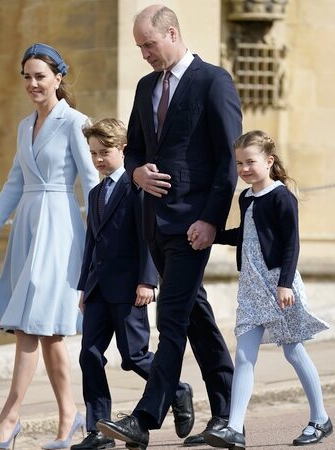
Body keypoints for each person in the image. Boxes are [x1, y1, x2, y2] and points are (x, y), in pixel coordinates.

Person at [96, 5, 239, 449]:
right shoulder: (144, 88)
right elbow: (134, 149)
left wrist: (212, 220)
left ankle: (144, 418)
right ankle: (228, 414)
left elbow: (227, 160)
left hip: (194, 226)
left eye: (149, 45)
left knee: (171, 318)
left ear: (172, 33)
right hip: (154, 226)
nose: (144, 54)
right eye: (139, 46)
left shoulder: (213, 81)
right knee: (196, 318)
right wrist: (135, 174)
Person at [0, 43, 99, 450]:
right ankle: (68, 416)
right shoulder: (25, 127)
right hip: (27, 227)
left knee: (31, 326)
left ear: (59, 77)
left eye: (40, 75)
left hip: (60, 230)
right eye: (26, 76)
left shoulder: (76, 122)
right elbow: (14, 184)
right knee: (47, 332)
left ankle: (9, 419)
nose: (32, 83)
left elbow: (92, 183)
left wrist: (102, 240)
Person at [203, 130, 332, 448]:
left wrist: (285, 283)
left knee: (293, 351)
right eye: (239, 164)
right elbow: (246, 235)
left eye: (251, 162)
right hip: (250, 286)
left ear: (269, 161)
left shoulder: (282, 196)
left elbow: (291, 244)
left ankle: (320, 419)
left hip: (278, 285)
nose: (244, 169)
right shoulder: (246, 197)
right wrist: (212, 234)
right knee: (244, 355)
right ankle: (234, 428)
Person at [73, 118, 192, 450]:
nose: (98, 159)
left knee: (135, 356)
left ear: (123, 150)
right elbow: (91, 244)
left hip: (129, 288)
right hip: (97, 289)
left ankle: (178, 389)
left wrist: (147, 281)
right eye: (93, 153)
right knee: (89, 356)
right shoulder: (96, 193)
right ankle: (98, 430)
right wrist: (83, 286)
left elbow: (147, 238)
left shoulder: (137, 188)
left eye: (104, 152)